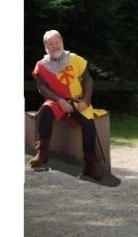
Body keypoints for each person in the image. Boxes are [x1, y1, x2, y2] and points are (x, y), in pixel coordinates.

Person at [28, 30, 107, 180]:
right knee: (45, 110)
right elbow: (42, 87)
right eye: (50, 44)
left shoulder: (75, 59)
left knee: (88, 123)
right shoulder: (41, 66)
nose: (54, 46)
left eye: (56, 42)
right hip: (57, 101)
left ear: (62, 42)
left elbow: (88, 80)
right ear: (45, 47)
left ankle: (90, 165)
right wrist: (60, 101)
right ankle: (43, 153)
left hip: (77, 101)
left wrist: (85, 101)